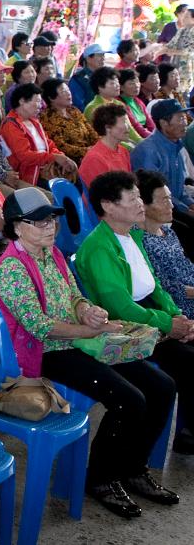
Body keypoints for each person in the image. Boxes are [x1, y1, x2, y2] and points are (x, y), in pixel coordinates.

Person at [0, 186, 181, 518]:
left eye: (51, 219)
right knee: (128, 399)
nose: (50, 226)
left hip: (81, 341)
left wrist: (87, 311)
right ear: (16, 226)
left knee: (162, 387)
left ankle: (134, 469)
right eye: (39, 222)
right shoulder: (11, 268)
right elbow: (41, 326)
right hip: (50, 352)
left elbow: (74, 295)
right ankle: (100, 479)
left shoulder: (51, 254)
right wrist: (90, 330)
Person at [77, 171, 194, 420]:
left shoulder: (133, 236)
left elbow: (156, 287)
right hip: (128, 325)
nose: (140, 204)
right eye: (132, 199)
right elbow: (120, 308)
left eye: (139, 197)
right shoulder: (100, 247)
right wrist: (167, 324)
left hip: (150, 314)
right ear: (108, 206)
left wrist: (178, 317)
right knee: (185, 364)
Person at [130, 99, 194, 254]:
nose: (185, 122)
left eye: (184, 117)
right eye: (179, 118)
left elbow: (179, 188)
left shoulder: (176, 145)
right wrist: (187, 210)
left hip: (174, 205)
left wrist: (190, 204)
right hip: (155, 210)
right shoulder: (149, 151)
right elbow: (154, 196)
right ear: (164, 123)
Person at [138, 169, 194, 343]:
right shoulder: (141, 241)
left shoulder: (168, 232)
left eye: (169, 198)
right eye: (164, 200)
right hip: (180, 309)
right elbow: (164, 287)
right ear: (144, 206)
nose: (171, 205)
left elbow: (186, 266)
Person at [40, 77, 98, 163]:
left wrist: (100, 145)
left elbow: (90, 131)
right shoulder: (47, 117)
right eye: (63, 92)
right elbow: (61, 146)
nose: (69, 93)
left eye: (68, 90)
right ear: (52, 98)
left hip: (91, 154)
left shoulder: (74, 110)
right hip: (70, 161)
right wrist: (87, 151)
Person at [79, 103, 133, 189]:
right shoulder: (95, 159)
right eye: (124, 122)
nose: (128, 127)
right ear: (108, 128)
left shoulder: (123, 151)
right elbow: (103, 196)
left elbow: (130, 185)